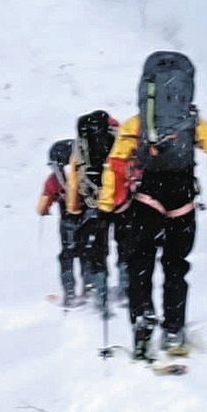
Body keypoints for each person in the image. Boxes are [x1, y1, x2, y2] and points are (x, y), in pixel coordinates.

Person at [98, 51, 207, 359]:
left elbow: (116, 164)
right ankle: (174, 328)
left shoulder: (135, 124)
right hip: (183, 196)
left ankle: (142, 322)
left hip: (147, 196)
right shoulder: (192, 122)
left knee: (140, 262)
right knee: (176, 265)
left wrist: (108, 205)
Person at [66, 111, 122, 312]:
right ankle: (126, 288)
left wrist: (73, 210)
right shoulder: (119, 136)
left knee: (98, 247)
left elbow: (73, 181)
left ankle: (100, 293)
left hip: (95, 203)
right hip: (121, 200)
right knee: (125, 245)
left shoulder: (80, 147)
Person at [38, 139, 87, 307]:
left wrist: (44, 210)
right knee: (87, 254)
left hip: (68, 223)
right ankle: (90, 290)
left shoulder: (53, 181)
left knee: (67, 256)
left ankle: (70, 294)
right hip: (88, 220)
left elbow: (42, 206)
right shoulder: (84, 175)